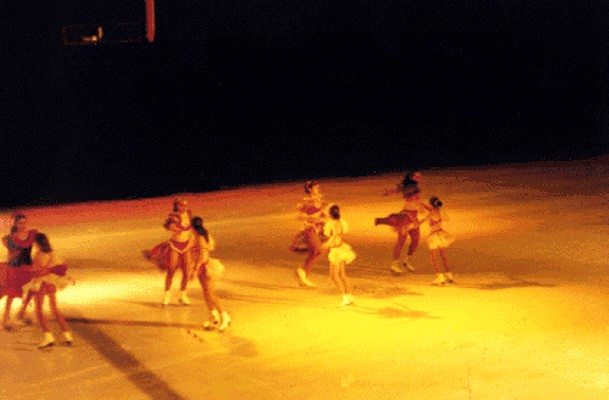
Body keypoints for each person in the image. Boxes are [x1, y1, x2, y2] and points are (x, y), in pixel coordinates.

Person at [21, 233, 73, 348]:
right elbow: (60, 267)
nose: (34, 244)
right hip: (51, 284)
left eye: (35, 242)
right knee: (55, 310)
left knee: (39, 312)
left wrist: (30, 269)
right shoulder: (51, 253)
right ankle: (68, 336)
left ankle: (48, 337)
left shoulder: (39, 254)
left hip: (41, 285)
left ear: (38, 243)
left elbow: (38, 271)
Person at [375, 171, 429, 275]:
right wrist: (388, 192)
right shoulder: (409, 186)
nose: (419, 177)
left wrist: (422, 207)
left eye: (420, 175)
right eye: (417, 176)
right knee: (401, 241)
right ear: (411, 177)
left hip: (414, 216)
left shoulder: (413, 186)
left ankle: (407, 260)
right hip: (406, 217)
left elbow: (400, 191)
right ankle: (394, 265)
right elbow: (406, 195)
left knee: (415, 240)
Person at [144, 198, 195, 306]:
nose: (184, 207)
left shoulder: (189, 213)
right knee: (171, 270)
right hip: (175, 245)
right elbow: (169, 225)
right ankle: (166, 297)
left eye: (185, 205)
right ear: (177, 206)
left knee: (187, 271)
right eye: (181, 205)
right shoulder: (173, 216)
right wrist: (173, 227)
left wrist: (192, 239)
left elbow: (191, 228)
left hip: (187, 245)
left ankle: (183, 295)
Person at [191, 217, 230, 332]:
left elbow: (202, 257)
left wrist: (195, 269)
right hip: (201, 268)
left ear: (193, 227)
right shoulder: (198, 237)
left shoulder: (200, 238)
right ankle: (214, 317)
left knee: (211, 293)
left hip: (206, 268)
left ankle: (224, 316)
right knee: (206, 294)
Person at [1, 214, 38, 330]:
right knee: (11, 294)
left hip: (28, 267)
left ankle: (22, 312)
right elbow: (10, 253)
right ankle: (5, 320)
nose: (23, 225)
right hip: (15, 268)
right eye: (20, 223)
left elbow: (38, 247)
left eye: (25, 222)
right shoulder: (11, 238)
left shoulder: (31, 234)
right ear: (16, 224)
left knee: (33, 290)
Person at [291, 181, 327, 288]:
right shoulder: (307, 202)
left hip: (316, 229)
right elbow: (299, 216)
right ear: (310, 189)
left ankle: (303, 276)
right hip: (309, 229)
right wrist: (314, 218)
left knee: (317, 252)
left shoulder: (319, 199)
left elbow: (323, 212)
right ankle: (302, 272)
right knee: (318, 250)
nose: (318, 188)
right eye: (316, 187)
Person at [323, 204, 356, 306]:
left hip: (336, 251)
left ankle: (344, 296)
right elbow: (339, 234)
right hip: (341, 248)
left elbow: (334, 235)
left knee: (334, 276)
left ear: (330, 213)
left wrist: (327, 244)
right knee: (341, 274)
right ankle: (349, 294)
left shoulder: (330, 223)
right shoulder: (341, 221)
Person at [425, 196, 455, 285]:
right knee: (443, 256)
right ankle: (449, 276)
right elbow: (446, 219)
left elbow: (424, 218)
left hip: (435, 236)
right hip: (442, 235)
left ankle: (440, 277)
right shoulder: (441, 212)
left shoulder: (430, 213)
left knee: (433, 258)